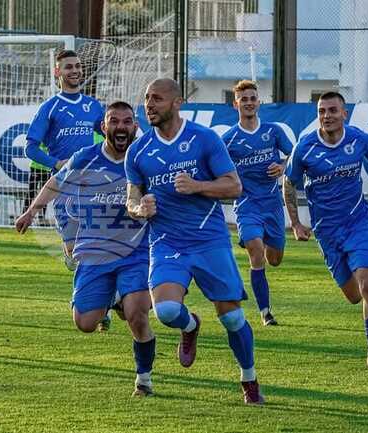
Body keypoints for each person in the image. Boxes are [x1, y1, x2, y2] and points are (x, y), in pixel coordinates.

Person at [125, 78, 265, 405]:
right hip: (167, 242)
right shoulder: (138, 150)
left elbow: (234, 186)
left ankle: (249, 378)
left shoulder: (204, 139)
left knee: (232, 318)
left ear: (177, 102)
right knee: (167, 311)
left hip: (209, 240)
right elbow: (131, 198)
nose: (149, 105)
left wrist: (198, 186)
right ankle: (190, 326)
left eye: (157, 99)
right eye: (146, 98)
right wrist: (139, 208)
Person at [16, 101, 156, 397]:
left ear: (135, 127)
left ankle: (143, 379)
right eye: (114, 121)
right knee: (85, 323)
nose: (121, 127)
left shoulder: (146, 158)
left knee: (137, 314)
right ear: (103, 127)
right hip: (95, 251)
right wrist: (31, 211)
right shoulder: (85, 157)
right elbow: (55, 183)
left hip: (136, 251)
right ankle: (114, 298)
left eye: (127, 121)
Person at [283, 91, 368, 369]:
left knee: (367, 283)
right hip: (326, 232)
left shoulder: (358, 139)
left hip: (358, 223)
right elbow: (289, 183)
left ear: (344, 114)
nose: (327, 116)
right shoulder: (305, 147)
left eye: (333, 110)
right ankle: (365, 266)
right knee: (354, 295)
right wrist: (296, 223)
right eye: (322, 111)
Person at [25, 49, 105, 272]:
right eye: (69, 67)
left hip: (92, 184)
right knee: (74, 255)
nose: (75, 70)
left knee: (95, 250)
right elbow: (30, 148)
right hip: (64, 185)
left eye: (78, 66)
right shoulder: (49, 107)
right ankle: (69, 249)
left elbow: (112, 137)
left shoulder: (94, 106)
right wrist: (57, 164)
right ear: (57, 72)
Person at [222, 80, 293, 326]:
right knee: (255, 248)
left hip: (272, 205)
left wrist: (282, 166)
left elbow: (293, 156)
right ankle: (265, 312)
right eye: (244, 99)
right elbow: (216, 167)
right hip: (246, 205)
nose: (249, 103)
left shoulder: (273, 131)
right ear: (236, 104)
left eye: (253, 98)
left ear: (259, 102)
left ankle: (268, 252)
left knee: (274, 259)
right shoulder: (228, 139)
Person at [22, 143, 51, 226]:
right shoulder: (39, 137)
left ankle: (41, 217)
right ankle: (24, 214)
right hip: (35, 167)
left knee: (44, 194)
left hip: (47, 168)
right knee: (31, 192)